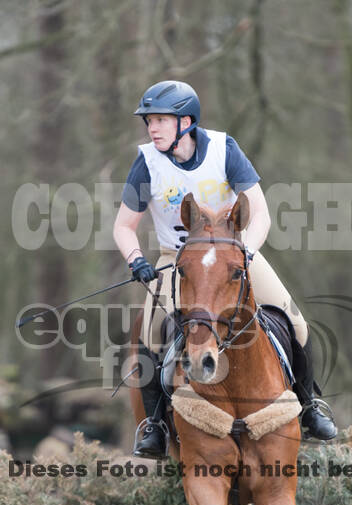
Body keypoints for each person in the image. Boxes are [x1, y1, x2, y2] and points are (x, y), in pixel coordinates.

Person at [113, 80, 337, 458]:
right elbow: (123, 226)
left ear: (186, 121)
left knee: (296, 322)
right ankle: (153, 425)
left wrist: (246, 251)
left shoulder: (224, 149)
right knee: (150, 334)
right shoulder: (147, 162)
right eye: (149, 121)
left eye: (160, 120)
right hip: (177, 257)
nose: (152, 128)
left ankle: (310, 407)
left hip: (236, 253)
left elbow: (260, 211)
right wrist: (136, 259)